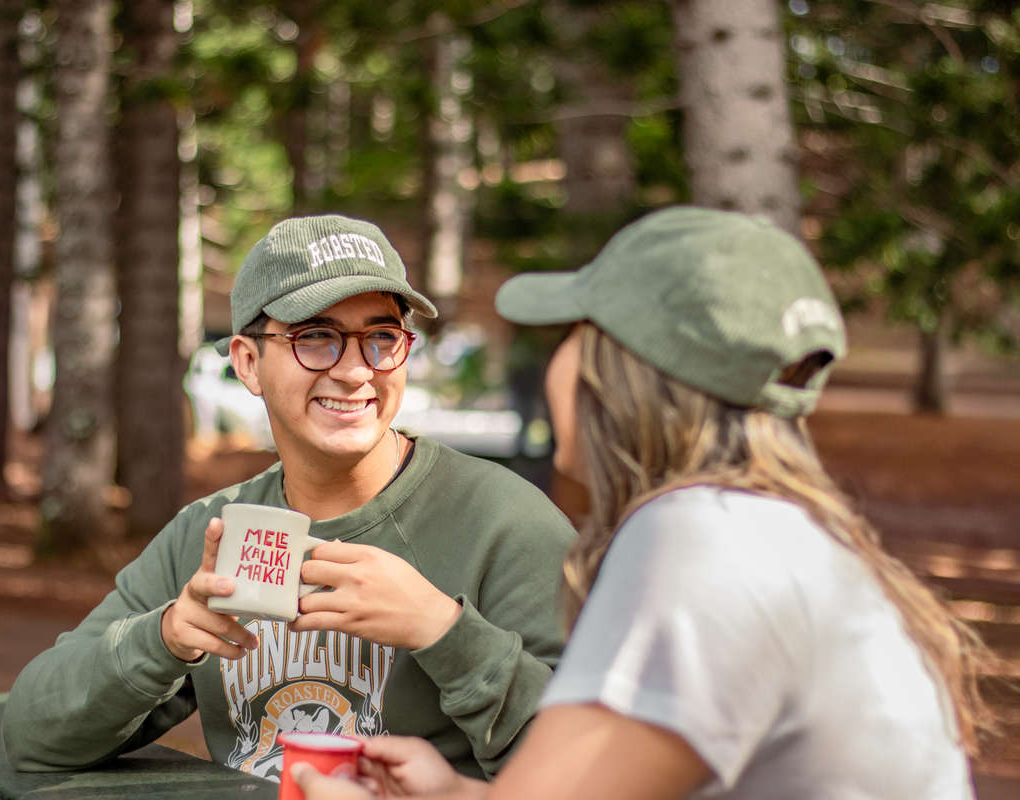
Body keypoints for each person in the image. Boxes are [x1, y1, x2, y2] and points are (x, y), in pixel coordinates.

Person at [293, 206, 991, 799]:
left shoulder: (701, 538)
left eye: (575, 332)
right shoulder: (775, 529)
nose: (557, 359)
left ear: (620, 368)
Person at [1, 214, 576, 782]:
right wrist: (168, 637)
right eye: (317, 338)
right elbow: (34, 735)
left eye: (381, 338)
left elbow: (585, 769)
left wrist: (442, 630)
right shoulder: (210, 533)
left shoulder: (507, 524)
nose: (355, 371)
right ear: (249, 363)